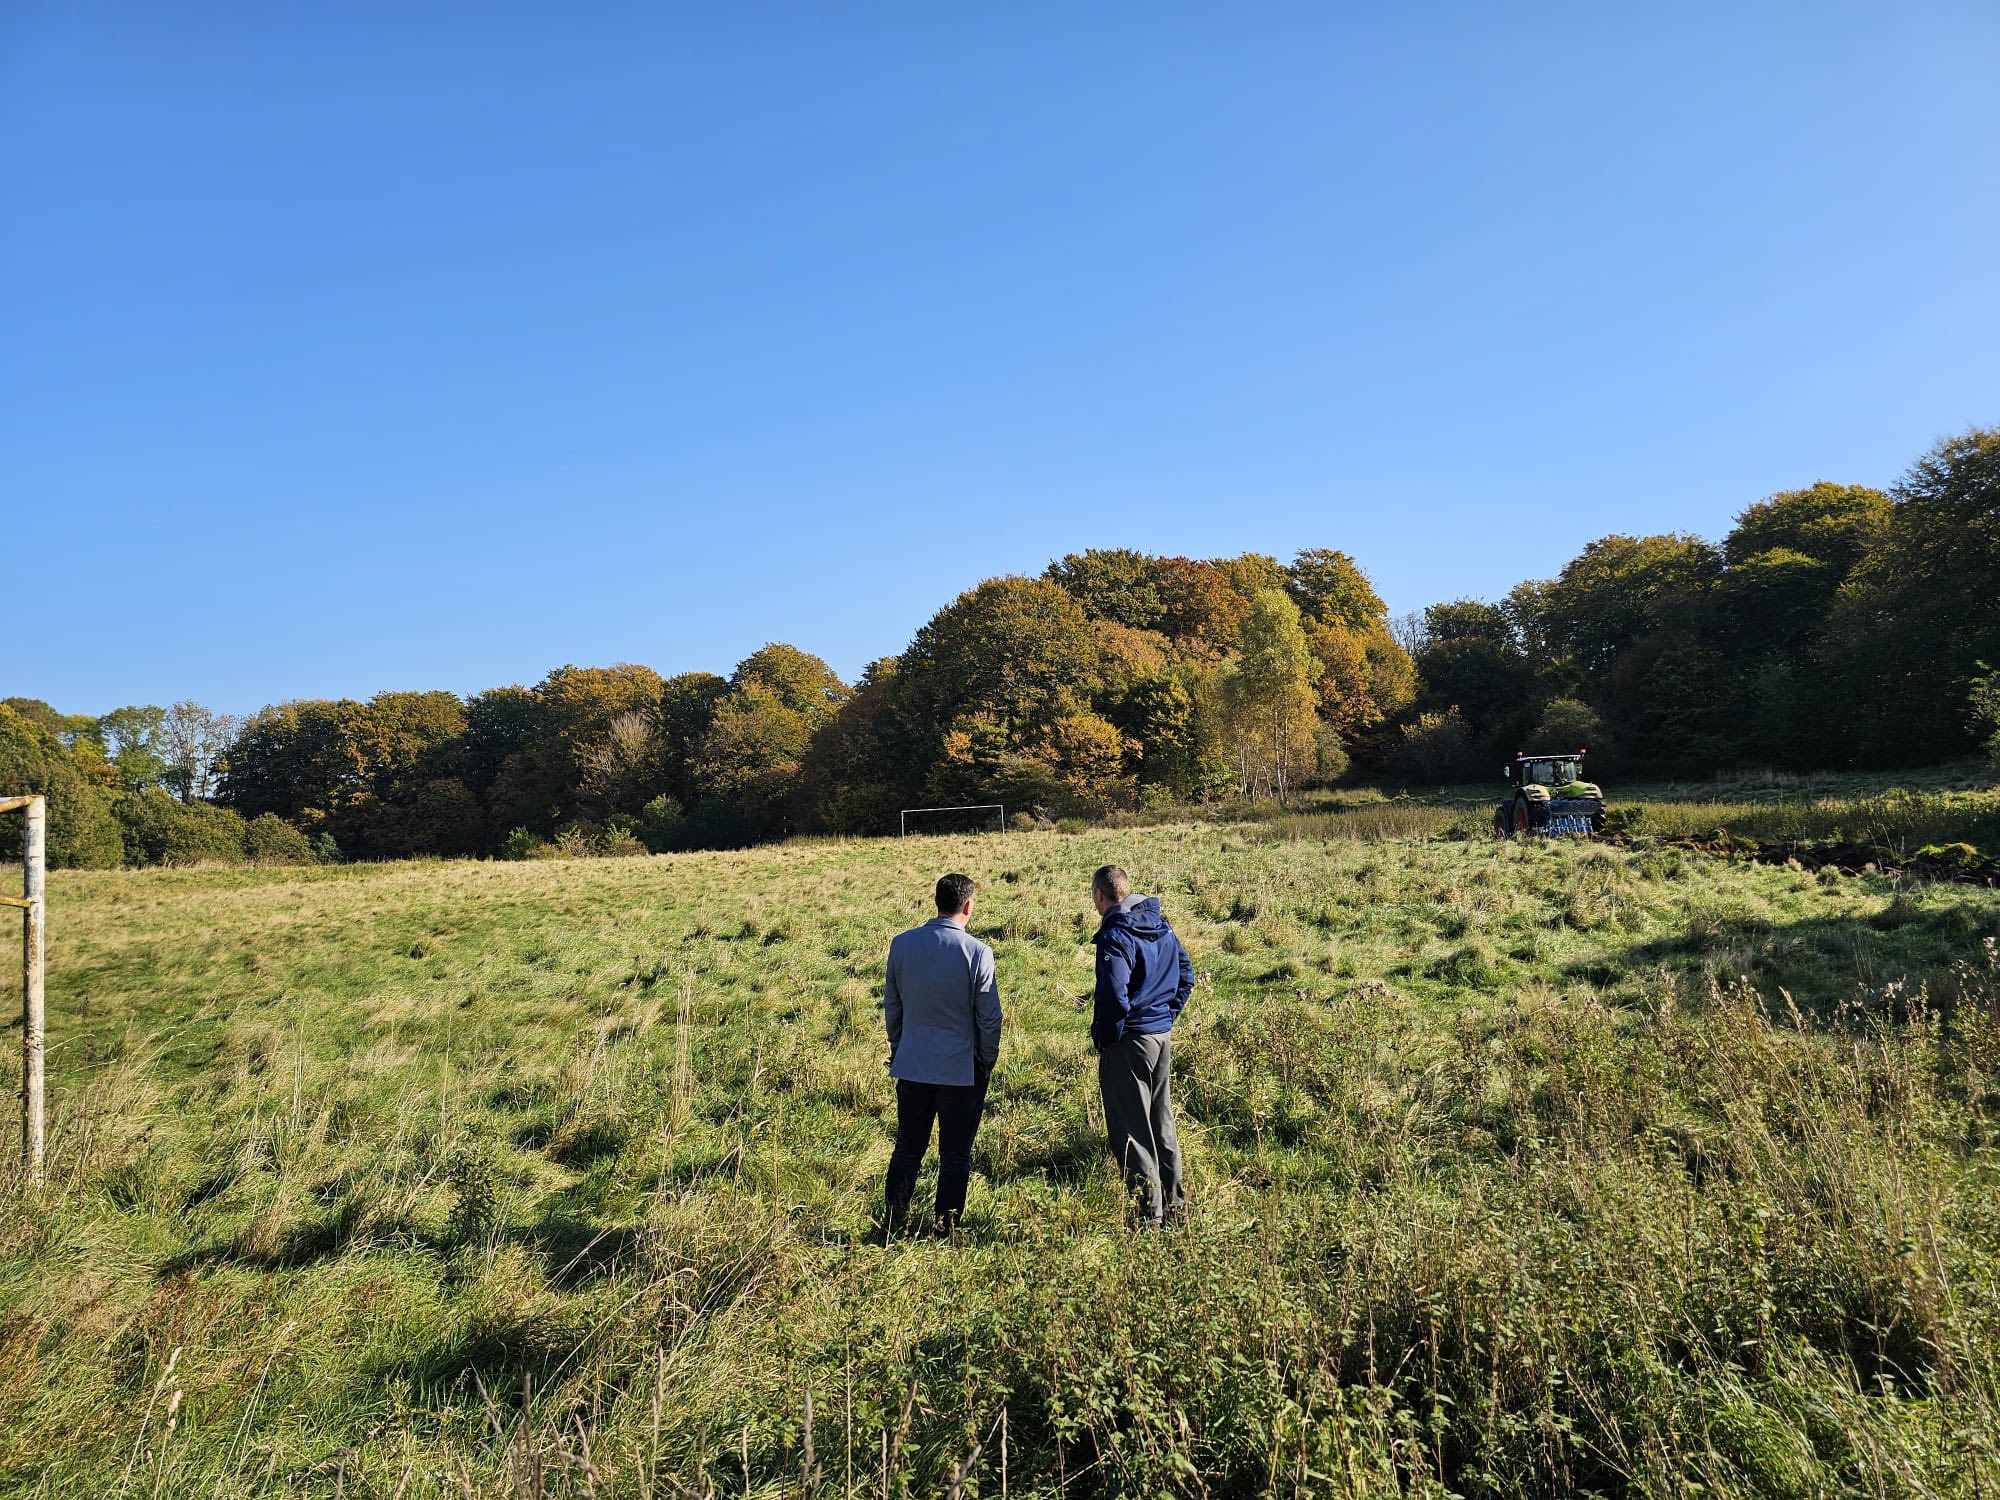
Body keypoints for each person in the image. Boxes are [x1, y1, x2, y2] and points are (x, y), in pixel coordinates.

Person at [883, 872, 1003, 1233]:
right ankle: (945, 1225)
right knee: (955, 1154)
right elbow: (989, 1017)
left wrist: (899, 1047)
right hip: (961, 1069)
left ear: (937, 902)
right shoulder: (978, 952)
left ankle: (893, 1218)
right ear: (968, 905)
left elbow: (893, 1006)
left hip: (913, 1065)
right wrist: (986, 1058)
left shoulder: (901, 945)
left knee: (907, 1147)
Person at [1089, 863, 1193, 1226]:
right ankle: (1176, 1206)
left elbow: (1114, 998)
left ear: (1099, 896)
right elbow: (1186, 974)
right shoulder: (1160, 925)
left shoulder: (1115, 935)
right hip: (1160, 1037)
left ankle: (1149, 1216)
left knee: (1132, 1129)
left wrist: (1106, 1036)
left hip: (1130, 1040)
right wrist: (1166, 1017)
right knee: (1161, 1120)